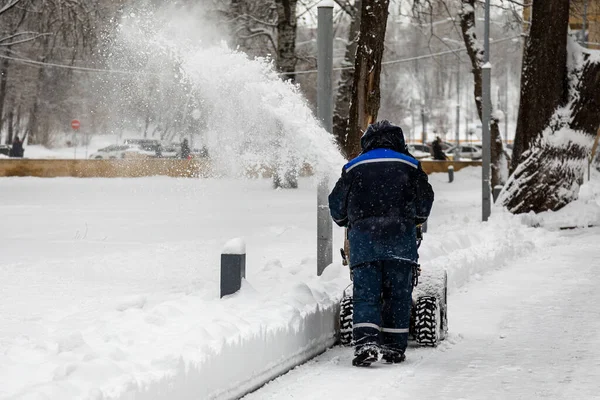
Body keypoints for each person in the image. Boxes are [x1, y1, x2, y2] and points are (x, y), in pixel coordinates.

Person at [329, 120, 434, 367]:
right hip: (400, 241)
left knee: (366, 294)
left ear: (368, 141)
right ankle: (394, 347)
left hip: (365, 243)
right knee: (398, 294)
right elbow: (425, 200)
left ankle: (366, 344)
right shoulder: (410, 165)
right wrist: (415, 219)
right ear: (397, 139)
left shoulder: (353, 167)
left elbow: (337, 205)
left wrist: (347, 220)